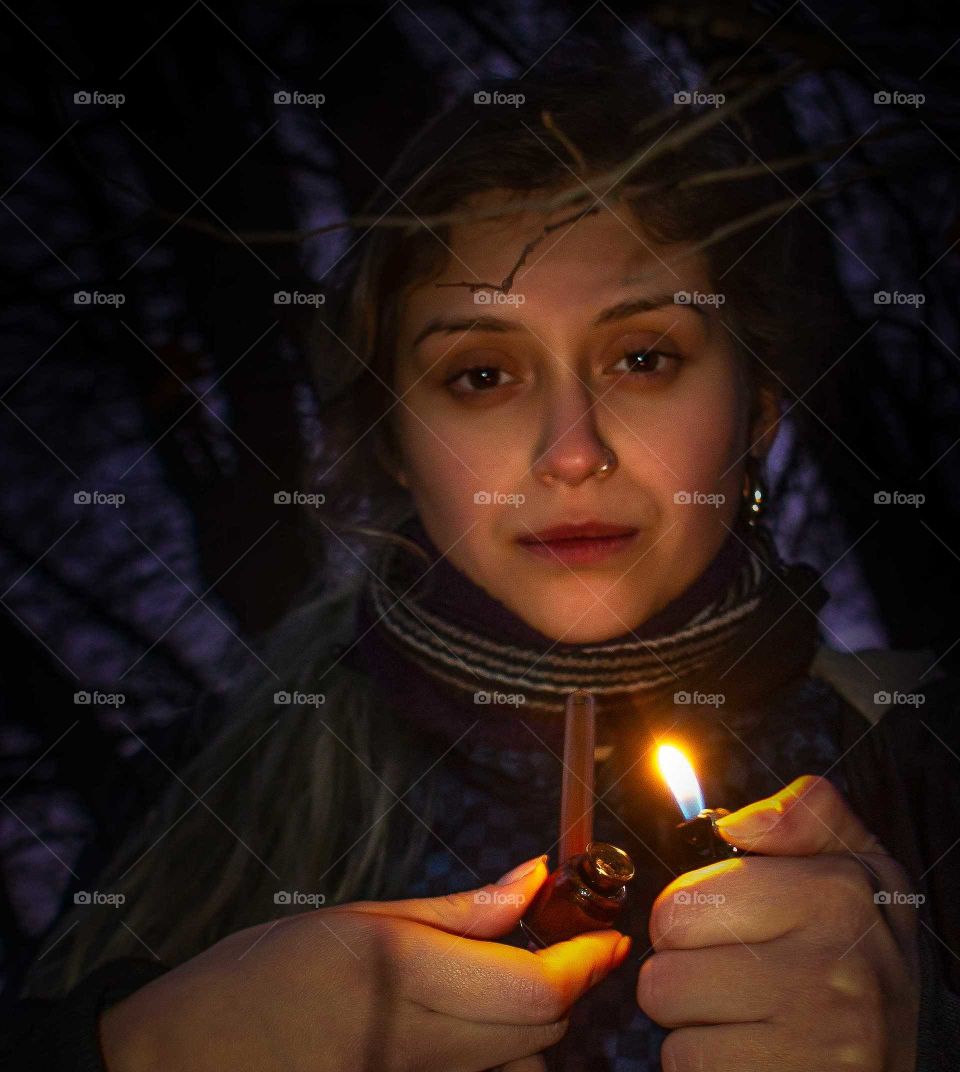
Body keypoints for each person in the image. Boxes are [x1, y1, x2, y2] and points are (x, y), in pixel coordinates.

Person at [2, 56, 959, 1072]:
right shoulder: (192, 802)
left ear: (758, 410)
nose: (572, 451)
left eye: (643, 356)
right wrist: (139, 1048)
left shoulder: (924, 767)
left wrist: (925, 1039)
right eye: (482, 373)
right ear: (396, 445)